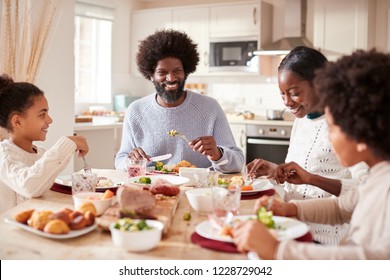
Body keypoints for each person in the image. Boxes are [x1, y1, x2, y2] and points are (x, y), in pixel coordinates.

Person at [233, 49, 390, 259]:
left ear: (360, 137)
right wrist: (290, 209)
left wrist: (278, 251)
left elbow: (374, 261)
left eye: (332, 129)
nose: (329, 136)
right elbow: (341, 207)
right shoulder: (379, 178)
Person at [115, 29, 244, 173]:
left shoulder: (210, 108)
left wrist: (218, 154)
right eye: (162, 72)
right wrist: (131, 161)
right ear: (151, 75)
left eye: (177, 71)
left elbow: (238, 163)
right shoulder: (136, 110)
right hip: (152, 190)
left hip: (198, 190)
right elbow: (120, 160)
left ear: (186, 72)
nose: (171, 78)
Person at [0, 74, 89, 213]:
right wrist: (67, 143)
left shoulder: (41, 154)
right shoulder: (4, 156)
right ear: (17, 121)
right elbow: (29, 186)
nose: (50, 120)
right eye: (42, 115)